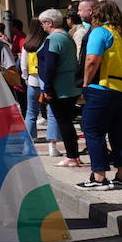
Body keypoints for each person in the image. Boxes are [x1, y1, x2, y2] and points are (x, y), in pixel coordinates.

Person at [77, 0, 122, 190]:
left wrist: (85, 83)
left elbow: (92, 60)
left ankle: (99, 177)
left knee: (93, 131)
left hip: (104, 88)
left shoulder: (101, 32)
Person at [36, 9, 82, 166]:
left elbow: (50, 64)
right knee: (67, 121)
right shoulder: (66, 36)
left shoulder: (54, 38)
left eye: (43, 23)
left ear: (50, 23)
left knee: (64, 122)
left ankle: (72, 156)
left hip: (59, 88)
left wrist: (47, 88)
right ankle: (74, 155)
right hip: (70, 85)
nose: (42, 27)